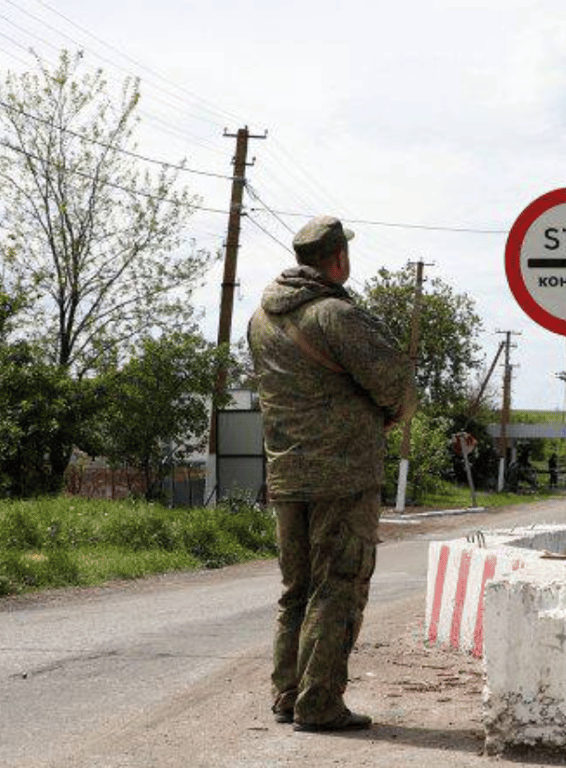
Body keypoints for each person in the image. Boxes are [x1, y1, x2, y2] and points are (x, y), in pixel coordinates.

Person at [247, 215, 416, 732]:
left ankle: (287, 693)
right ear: (338, 258)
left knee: (295, 590)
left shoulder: (261, 319)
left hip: (285, 474)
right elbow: (396, 384)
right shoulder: (335, 316)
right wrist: (392, 414)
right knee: (337, 586)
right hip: (341, 476)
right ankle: (318, 703)